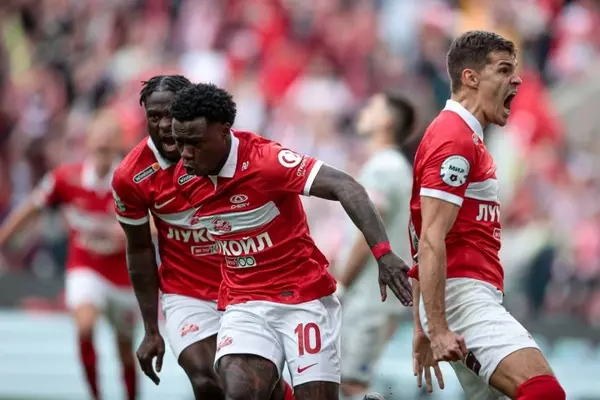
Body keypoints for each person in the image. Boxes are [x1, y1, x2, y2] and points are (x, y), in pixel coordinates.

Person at [169, 82, 413, 400]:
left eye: (195, 143)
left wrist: (383, 253)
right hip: (245, 303)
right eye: (179, 142)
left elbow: (346, 185)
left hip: (303, 299)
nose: (185, 154)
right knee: (241, 393)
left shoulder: (266, 161)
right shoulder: (184, 176)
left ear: (224, 132)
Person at [111, 75, 293, 400]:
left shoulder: (230, 153)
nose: (164, 125)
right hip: (186, 293)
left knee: (256, 387)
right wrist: (151, 329)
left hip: (245, 287)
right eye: (154, 116)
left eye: (171, 114)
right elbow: (139, 250)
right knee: (208, 379)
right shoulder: (131, 176)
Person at [408, 30, 566, 399]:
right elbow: (429, 239)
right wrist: (438, 328)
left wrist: (423, 324)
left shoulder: (459, 135)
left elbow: (418, 231)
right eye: (504, 69)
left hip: (459, 296)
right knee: (543, 391)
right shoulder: (455, 138)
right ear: (471, 78)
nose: (517, 80)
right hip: (463, 296)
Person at [0, 110, 138, 400]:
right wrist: (3, 239)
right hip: (85, 266)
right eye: (99, 137)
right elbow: (31, 207)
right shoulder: (66, 177)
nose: (103, 143)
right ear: (88, 141)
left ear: (118, 143)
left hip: (124, 275)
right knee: (85, 327)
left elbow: (157, 223)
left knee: (126, 350)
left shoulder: (131, 182)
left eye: (110, 138)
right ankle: (95, 395)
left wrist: (131, 232)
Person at [335, 93, 415, 400]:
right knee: (345, 381)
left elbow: (369, 232)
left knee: (352, 383)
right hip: (373, 298)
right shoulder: (391, 165)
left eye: (372, 107)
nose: (364, 111)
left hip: (368, 298)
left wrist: (343, 283)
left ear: (387, 121)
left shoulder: (384, 168)